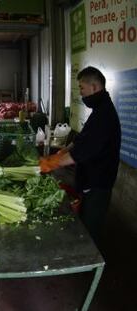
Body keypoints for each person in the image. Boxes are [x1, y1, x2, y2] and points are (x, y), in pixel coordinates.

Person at [40, 66, 121, 246]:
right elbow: (82, 139)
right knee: (86, 218)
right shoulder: (100, 110)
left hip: (99, 181)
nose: (81, 94)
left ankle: (91, 264)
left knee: (92, 224)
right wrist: (63, 151)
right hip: (90, 177)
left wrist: (54, 163)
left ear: (94, 87)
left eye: (82, 89)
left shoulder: (105, 116)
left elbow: (82, 152)